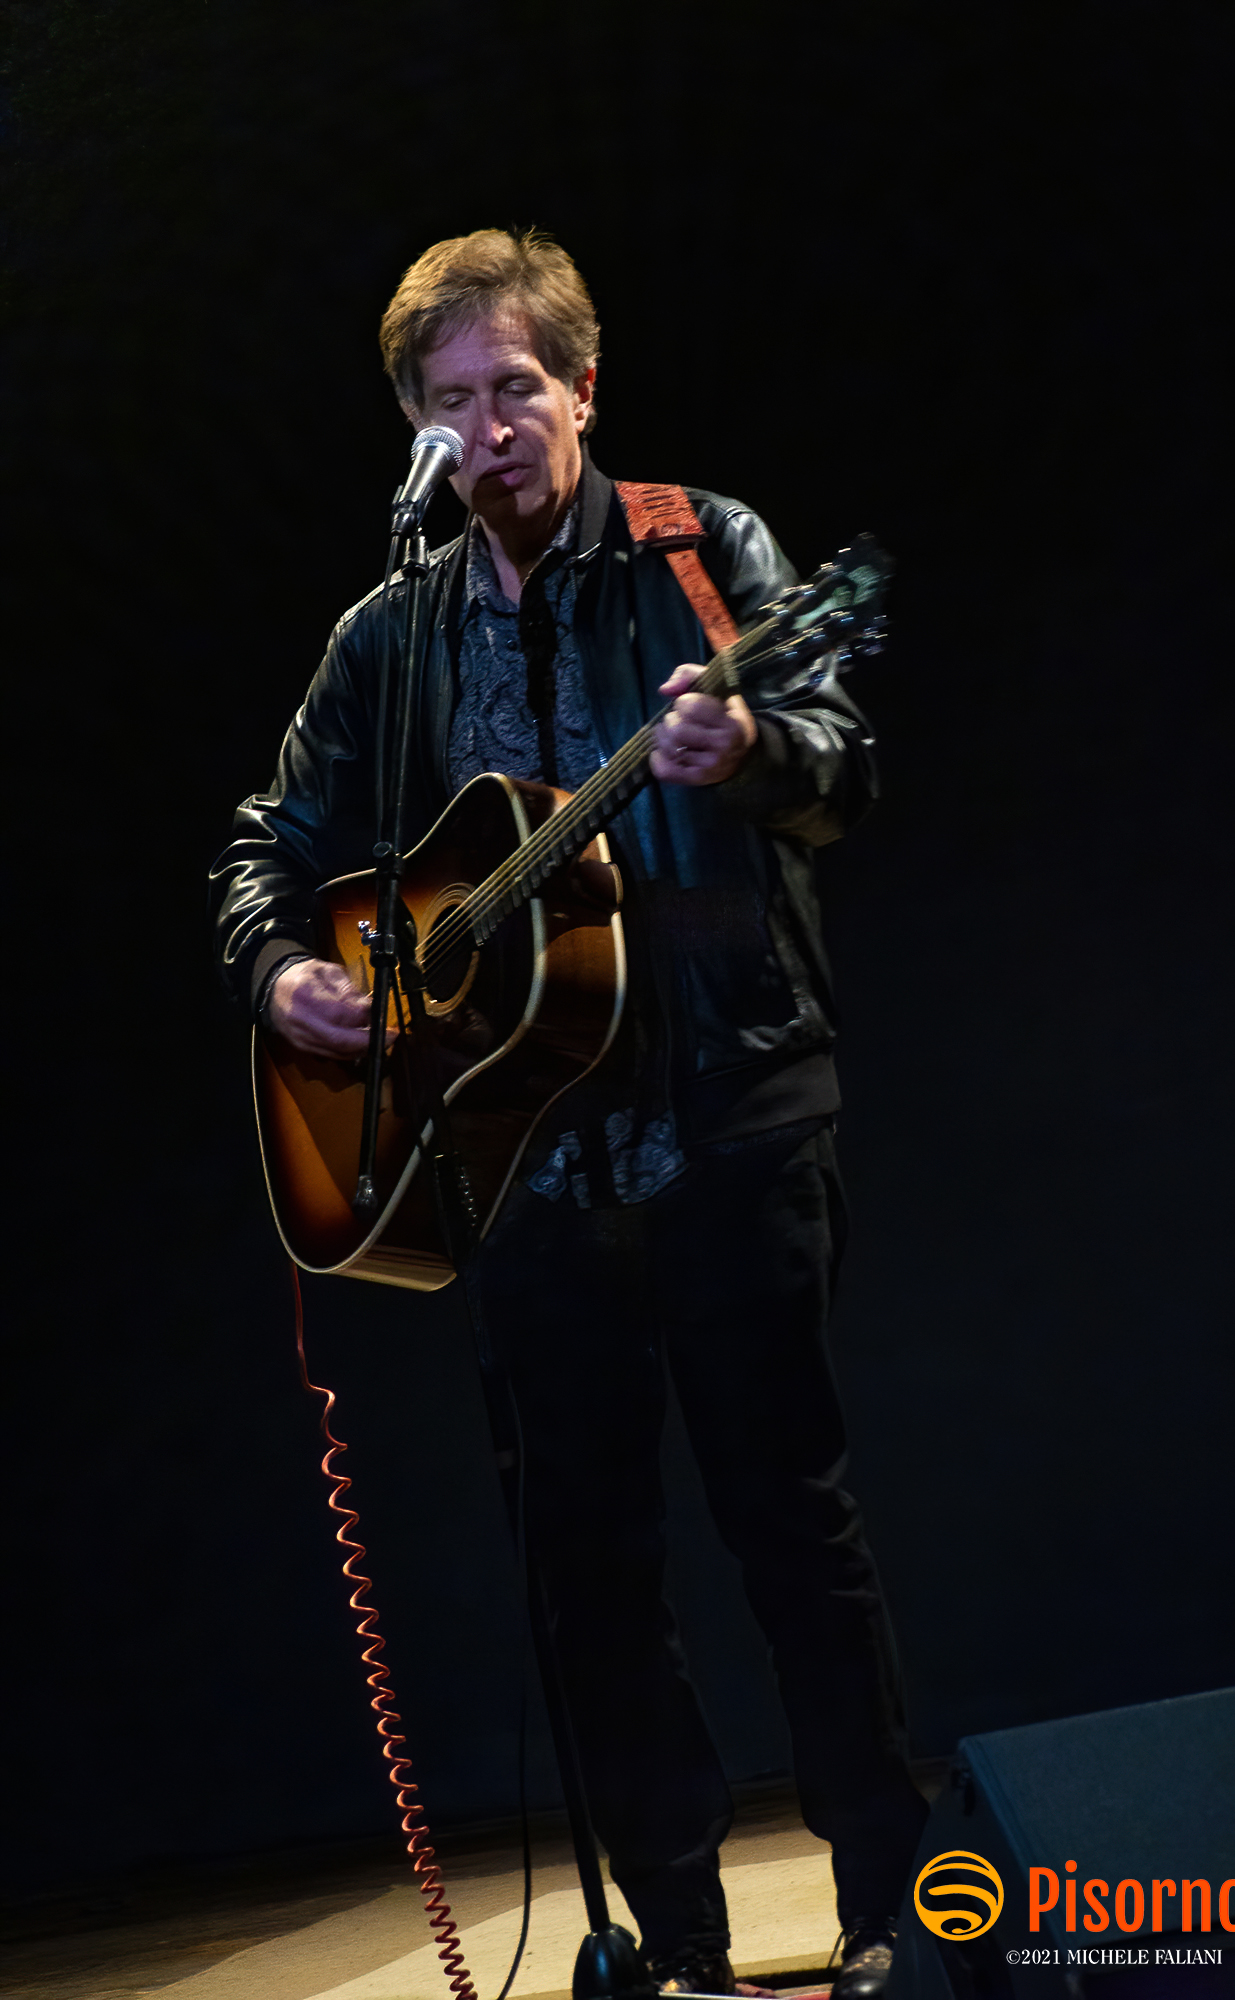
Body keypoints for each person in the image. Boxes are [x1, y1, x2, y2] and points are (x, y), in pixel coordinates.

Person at [211, 228, 928, 2000]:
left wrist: (748, 753)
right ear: (415, 428)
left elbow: (840, 765)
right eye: (450, 404)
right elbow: (269, 845)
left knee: (792, 1529)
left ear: (581, 390)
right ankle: (674, 1942)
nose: (488, 430)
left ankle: (899, 1914)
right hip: (515, 1159)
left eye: (515, 389)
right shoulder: (390, 633)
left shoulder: (699, 549)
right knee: (587, 1573)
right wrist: (283, 970)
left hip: (727, 1110)